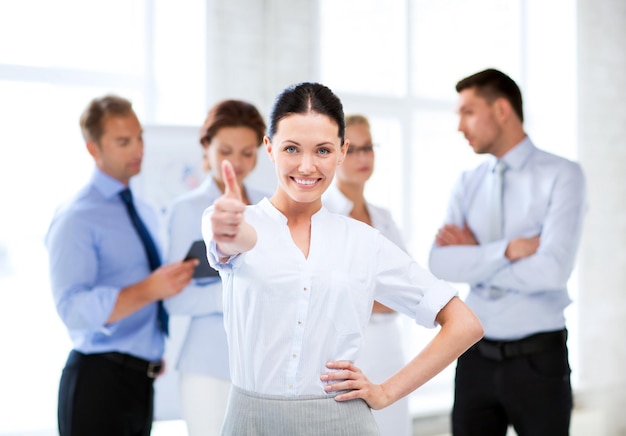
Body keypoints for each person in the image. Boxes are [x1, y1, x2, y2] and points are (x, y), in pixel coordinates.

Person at [202, 82, 484, 435]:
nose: (306, 166)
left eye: (322, 150)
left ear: (341, 151)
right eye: (292, 148)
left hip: (342, 422)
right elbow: (238, 240)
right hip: (251, 422)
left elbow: (465, 325)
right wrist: (229, 227)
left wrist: (385, 392)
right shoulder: (233, 221)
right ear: (270, 148)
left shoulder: (364, 242)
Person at [428, 68, 587, 436]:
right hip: (474, 357)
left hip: (538, 362)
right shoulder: (468, 182)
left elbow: (552, 271)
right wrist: (508, 251)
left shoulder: (563, 175)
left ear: (501, 109)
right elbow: (440, 262)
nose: (459, 126)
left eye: (467, 112)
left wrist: (477, 257)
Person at [46, 94, 197, 436]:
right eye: (123, 141)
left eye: (140, 137)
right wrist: (148, 290)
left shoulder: (144, 210)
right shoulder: (76, 217)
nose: (138, 149)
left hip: (140, 381)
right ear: (93, 149)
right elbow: (71, 308)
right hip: (97, 381)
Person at [164, 99, 269, 436]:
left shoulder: (269, 208)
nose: (236, 163)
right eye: (226, 150)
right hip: (208, 368)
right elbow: (175, 299)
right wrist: (242, 291)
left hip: (266, 366)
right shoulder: (187, 210)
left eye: (247, 152)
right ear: (206, 146)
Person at [322, 114, 411, 436]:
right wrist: (378, 294)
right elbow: (323, 293)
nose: (362, 157)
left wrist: (366, 294)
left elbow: (408, 291)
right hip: (345, 353)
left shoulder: (383, 218)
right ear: (335, 153)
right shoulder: (323, 215)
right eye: (352, 148)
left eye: (368, 148)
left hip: (390, 351)